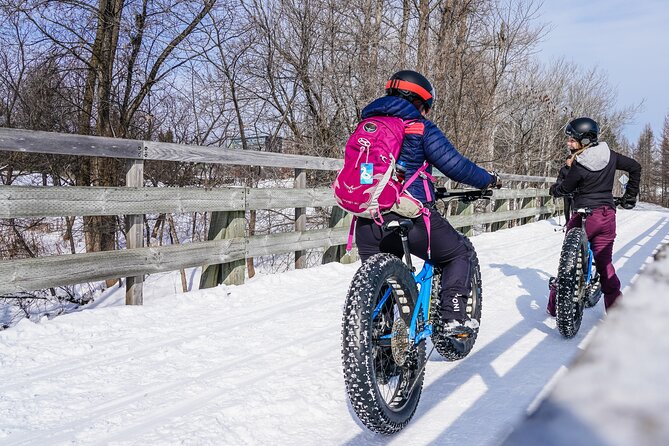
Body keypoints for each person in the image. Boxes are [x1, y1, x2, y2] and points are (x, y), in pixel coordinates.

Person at [354, 70, 501, 336]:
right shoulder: (419, 127)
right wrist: (487, 180)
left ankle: (377, 348)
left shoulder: (367, 126)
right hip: (408, 218)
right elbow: (456, 166)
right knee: (458, 253)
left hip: (367, 221)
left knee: (381, 287)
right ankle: (452, 318)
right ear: (420, 102)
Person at [547, 117, 641, 315]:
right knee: (604, 264)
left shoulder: (580, 164)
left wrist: (555, 189)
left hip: (584, 217)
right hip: (607, 216)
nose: (568, 143)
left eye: (572, 140)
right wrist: (629, 196)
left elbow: (566, 188)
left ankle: (554, 307)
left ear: (586, 141)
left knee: (568, 262)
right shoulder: (611, 156)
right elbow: (635, 167)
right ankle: (616, 312)